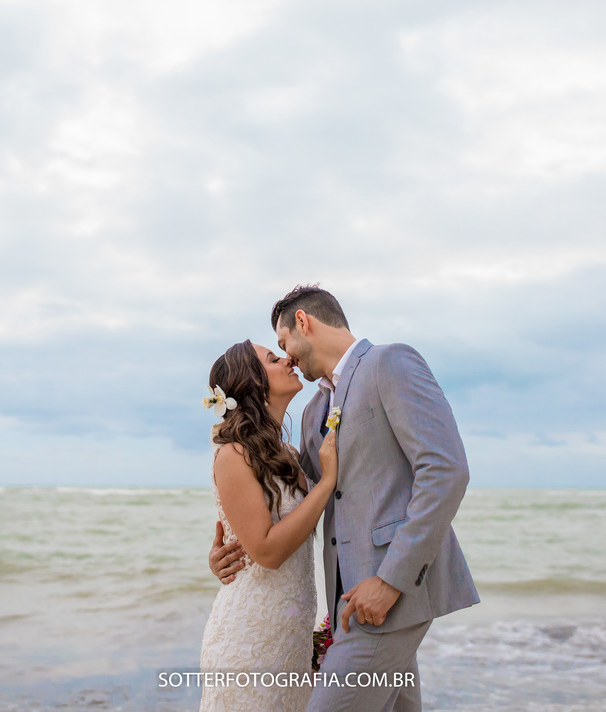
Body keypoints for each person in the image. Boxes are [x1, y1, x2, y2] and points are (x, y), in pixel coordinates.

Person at [209, 285, 479, 712]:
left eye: (284, 345)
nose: (289, 358)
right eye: (276, 355)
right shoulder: (315, 412)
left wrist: (391, 580)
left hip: (388, 591)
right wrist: (234, 549)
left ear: (304, 322)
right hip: (348, 604)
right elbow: (301, 502)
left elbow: (446, 470)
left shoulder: (389, 363)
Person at [198, 339, 339, 712]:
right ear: (254, 383)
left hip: (290, 638)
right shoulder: (233, 454)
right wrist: (325, 483)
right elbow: (266, 552)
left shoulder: (290, 454)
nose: (288, 359)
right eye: (274, 359)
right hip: (249, 639)